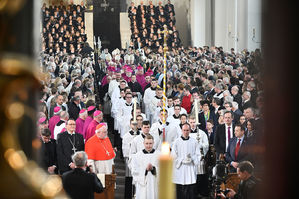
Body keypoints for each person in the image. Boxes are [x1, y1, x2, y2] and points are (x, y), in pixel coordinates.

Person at [172, 123, 199, 199]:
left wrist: (192, 159)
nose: (186, 132)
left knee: (190, 189)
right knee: (180, 190)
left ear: (190, 130)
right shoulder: (176, 142)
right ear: (181, 130)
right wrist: (181, 160)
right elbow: (173, 155)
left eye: (187, 130)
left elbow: (198, 155)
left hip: (190, 169)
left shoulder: (194, 141)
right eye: (184, 130)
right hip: (180, 169)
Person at [131, 134, 159, 199]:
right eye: (146, 143)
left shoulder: (159, 155)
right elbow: (134, 171)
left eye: (150, 143)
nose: (148, 146)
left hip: (154, 184)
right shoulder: (137, 156)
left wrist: (153, 169)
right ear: (143, 143)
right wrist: (145, 170)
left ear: (153, 143)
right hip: (142, 185)